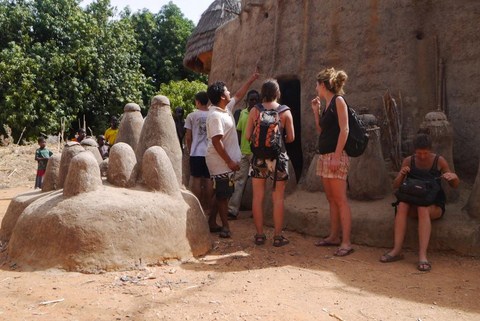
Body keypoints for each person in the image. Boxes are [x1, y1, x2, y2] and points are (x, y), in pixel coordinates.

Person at [380, 133, 459, 271]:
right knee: (402, 205)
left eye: (425, 153)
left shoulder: (439, 161)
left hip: (432, 205)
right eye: (419, 153)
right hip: (412, 202)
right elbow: (396, 185)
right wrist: (402, 174)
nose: (422, 156)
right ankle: (396, 250)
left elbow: (454, 185)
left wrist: (453, 177)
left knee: (423, 209)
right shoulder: (408, 161)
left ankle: (423, 256)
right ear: (414, 151)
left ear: (431, 150)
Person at [205, 70, 259, 238]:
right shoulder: (215, 116)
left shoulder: (224, 109)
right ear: (222, 96)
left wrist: (251, 78)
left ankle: (212, 222)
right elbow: (216, 142)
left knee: (222, 192)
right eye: (226, 90)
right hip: (219, 161)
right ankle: (226, 227)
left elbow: (238, 95)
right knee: (223, 195)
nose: (230, 92)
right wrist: (229, 162)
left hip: (224, 160)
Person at [245, 79, 294, 247]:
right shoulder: (285, 112)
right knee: (278, 198)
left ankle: (259, 235)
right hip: (279, 158)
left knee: (258, 197)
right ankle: (278, 237)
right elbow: (292, 137)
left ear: (262, 92)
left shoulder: (254, 111)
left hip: (259, 157)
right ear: (277, 92)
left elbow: (246, 136)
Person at [310, 67, 354, 257]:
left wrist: (337, 156)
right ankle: (334, 236)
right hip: (326, 156)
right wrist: (316, 111)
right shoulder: (328, 104)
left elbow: (345, 130)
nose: (315, 87)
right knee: (331, 199)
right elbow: (322, 130)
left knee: (340, 200)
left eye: (317, 84)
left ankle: (346, 242)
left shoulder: (339, 101)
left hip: (336, 156)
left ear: (323, 84)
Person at [227, 89, 260, 220]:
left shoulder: (262, 113)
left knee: (257, 182)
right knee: (239, 181)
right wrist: (239, 148)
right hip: (244, 152)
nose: (253, 102)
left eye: (255, 99)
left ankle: (257, 210)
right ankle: (232, 210)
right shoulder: (243, 113)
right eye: (251, 99)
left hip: (257, 152)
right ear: (247, 101)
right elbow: (239, 131)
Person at [184, 92, 214, 216]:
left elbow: (188, 136)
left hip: (196, 152)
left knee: (196, 178)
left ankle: (197, 206)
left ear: (197, 102)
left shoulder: (191, 116)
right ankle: (208, 207)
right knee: (208, 179)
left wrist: (190, 149)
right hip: (210, 152)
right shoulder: (212, 115)